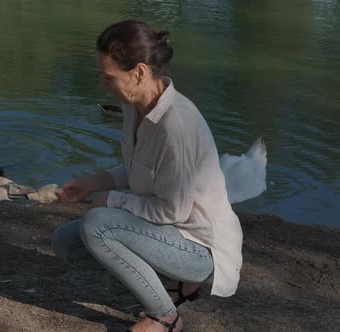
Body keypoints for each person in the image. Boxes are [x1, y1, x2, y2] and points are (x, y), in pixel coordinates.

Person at [52, 20, 243, 332]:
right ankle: (173, 283)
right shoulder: (134, 105)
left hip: (198, 247)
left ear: (139, 72)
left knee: (99, 226)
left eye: (108, 77)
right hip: (162, 232)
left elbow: (173, 210)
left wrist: (111, 200)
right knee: (66, 243)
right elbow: (141, 170)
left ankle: (165, 317)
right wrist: (93, 183)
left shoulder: (176, 125)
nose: (103, 85)